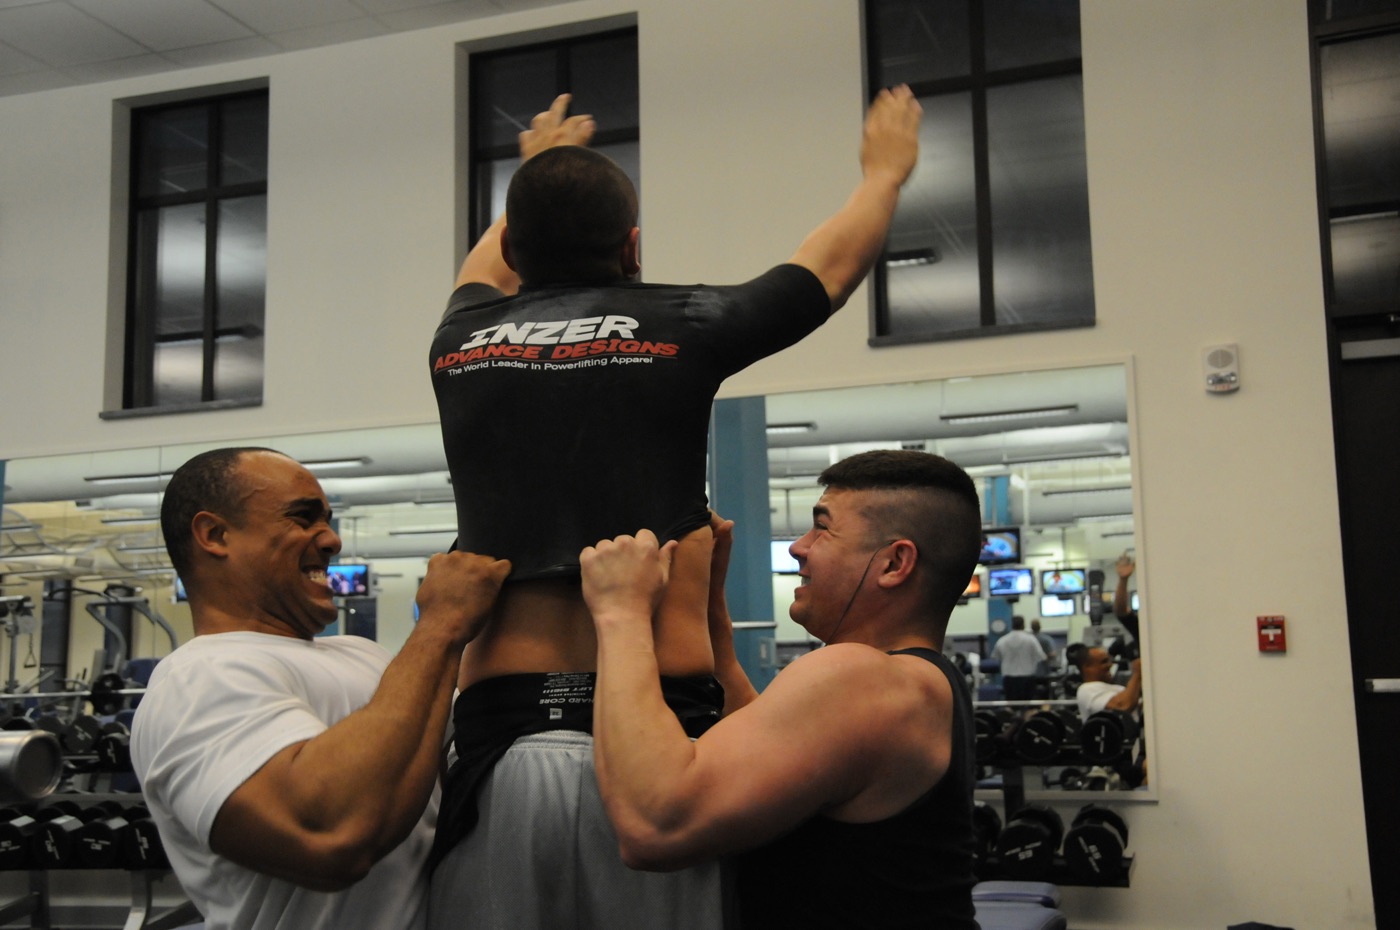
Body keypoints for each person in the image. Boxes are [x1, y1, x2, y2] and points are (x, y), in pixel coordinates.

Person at [426, 88, 923, 929]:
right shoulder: (683, 322)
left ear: (512, 244)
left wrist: (539, 169)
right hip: (655, 744)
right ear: (632, 246)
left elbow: (483, 268)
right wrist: (883, 174)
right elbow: (826, 272)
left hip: (499, 747)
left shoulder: (458, 337)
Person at [580, 450, 981, 929]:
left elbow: (654, 826)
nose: (797, 547)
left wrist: (620, 612)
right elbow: (774, 747)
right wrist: (709, 612)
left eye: (822, 529)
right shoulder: (923, 679)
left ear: (894, 563)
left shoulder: (865, 677)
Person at [129, 448, 510, 930]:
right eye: (302, 518)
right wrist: (441, 624)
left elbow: (473, 769)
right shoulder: (199, 678)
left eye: (327, 520)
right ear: (216, 535)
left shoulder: (365, 655)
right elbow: (330, 834)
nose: (331, 540)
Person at [1075, 647, 1143, 719]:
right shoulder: (1086, 689)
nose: (1110, 665)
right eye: (1104, 662)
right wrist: (1137, 674)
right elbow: (1122, 706)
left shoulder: (1118, 688)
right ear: (1087, 667)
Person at [990, 614, 1045, 701]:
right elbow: (1041, 657)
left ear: (1011, 625)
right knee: (1027, 704)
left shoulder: (1002, 640)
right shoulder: (1031, 639)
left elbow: (995, 657)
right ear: (1023, 625)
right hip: (1027, 677)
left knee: (1011, 704)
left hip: (1009, 678)